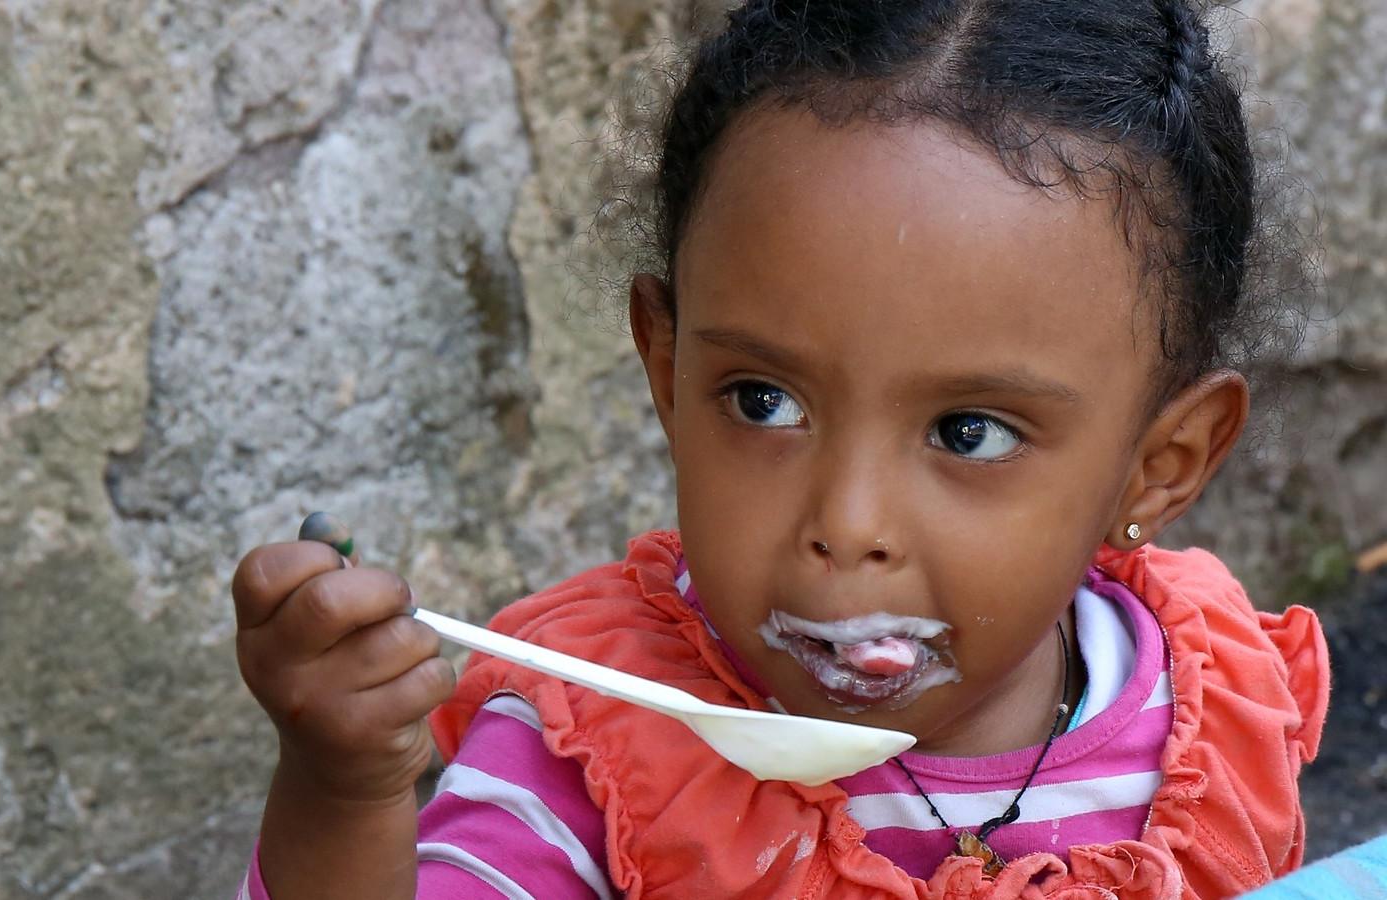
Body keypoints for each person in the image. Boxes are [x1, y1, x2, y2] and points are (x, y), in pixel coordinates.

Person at [228, 1, 1331, 897]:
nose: (845, 524)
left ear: (1160, 464)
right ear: (666, 369)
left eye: (968, 432)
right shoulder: (595, 760)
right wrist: (346, 795)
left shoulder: (1212, 717)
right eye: (761, 401)